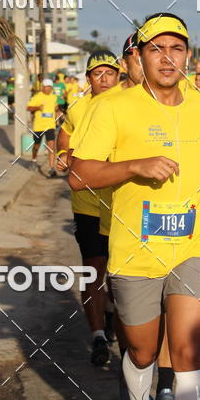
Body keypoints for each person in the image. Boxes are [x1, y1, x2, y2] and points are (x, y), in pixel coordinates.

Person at [71, 13, 200, 400]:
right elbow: (79, 174)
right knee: (142, 353)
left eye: (177, 48)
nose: (168, 58)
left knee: (187, 349)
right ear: (138, 58)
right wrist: (134, 166)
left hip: (195, 243)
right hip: (135, 249)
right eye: (156, 48)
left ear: (189, 55)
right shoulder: (112, 107)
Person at [57, 51, 120, 366]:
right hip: (87, 202)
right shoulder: (79, 107)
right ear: (89, 78)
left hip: (123, 202)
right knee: (93, 268)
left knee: (121, 273)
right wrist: (63, 153)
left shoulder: (130, 104)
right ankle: (97, 337)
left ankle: (112, 313)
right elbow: (64, 135)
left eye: (110, 72)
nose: (105, 78)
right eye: (99, 73)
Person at [27, 79, 60, 176]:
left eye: (50, 87)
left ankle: (51, 168)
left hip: (50, 125)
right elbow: (28, 108)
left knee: (51, 146)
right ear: (43, 87)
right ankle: (34, 160)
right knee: (36, 146)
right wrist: (37, 108)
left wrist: (57, 109)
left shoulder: (54, 97)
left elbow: (55, 106)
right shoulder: (37, 97)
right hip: (39, 126)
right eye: (46, 86)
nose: (48, 88)